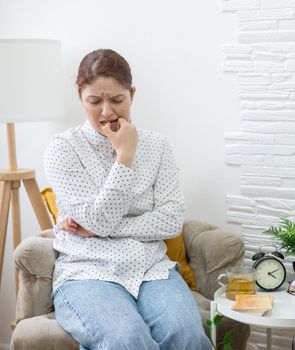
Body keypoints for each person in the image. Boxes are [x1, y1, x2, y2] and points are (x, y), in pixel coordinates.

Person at [44, 49, 211, 350]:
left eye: (117, 100)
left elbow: (170, 220)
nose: (107, 112)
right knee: (127, 340)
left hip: (151, 268)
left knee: (187, 336)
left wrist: (101, 229)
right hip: (87, 271)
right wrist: (125, 157)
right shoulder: (62, 149)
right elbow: (99, 220)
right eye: (95, 101)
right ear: (80, 97)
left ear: (132, 94)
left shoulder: (158, 146)